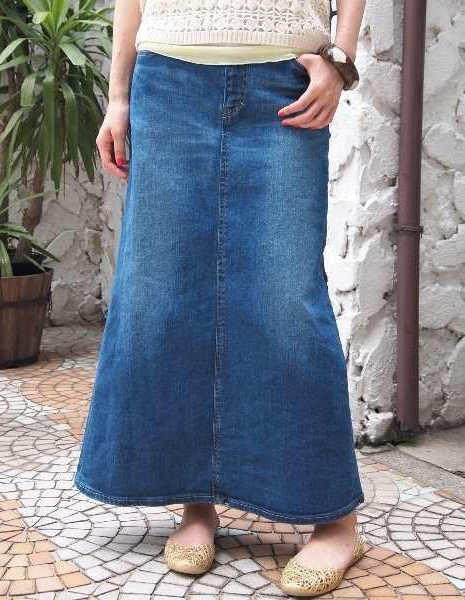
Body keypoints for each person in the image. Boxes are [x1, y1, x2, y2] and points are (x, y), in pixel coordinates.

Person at [74, 0, 367, 595]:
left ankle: (336, 522)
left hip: (284, 82)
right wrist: (119, 97)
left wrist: (341, 58)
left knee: (286, 303)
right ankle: (196, 502)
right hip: (167, 82)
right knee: (167, 296)